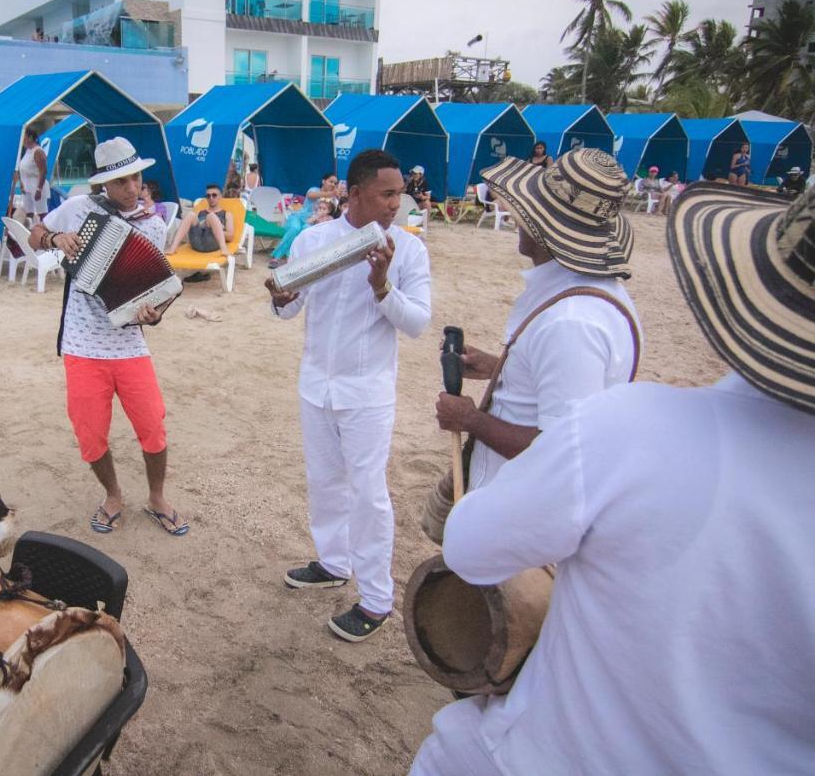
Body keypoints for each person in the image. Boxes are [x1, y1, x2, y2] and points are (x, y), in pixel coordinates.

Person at [410, 185, 815, 776]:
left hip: (553, 750)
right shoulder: (599, 305)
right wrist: (505, 368)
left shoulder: (635, 421)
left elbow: (474, 545)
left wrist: (472, 421)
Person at [426, 148, 641, 542]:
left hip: (523, 522)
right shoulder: (588, 296)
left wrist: (471, 420)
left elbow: (560, 453)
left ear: (543, 227)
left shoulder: (572, 322)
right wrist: (501, 367)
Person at [267, 149, 432, 642]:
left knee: (368, 494)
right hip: (316, 384)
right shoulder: (315, 241)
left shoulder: (408, 250)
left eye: (399, 193)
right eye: (387, 193)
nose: (395, 203)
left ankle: (378, 599)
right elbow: (291, 310)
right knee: (323, 481)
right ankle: (334, 562)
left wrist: (382, 286)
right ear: (353, 194)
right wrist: (280, 298)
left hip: (367, 392)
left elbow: (419, 322)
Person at [27, 137, 189, 536]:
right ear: (104, 185)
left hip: (129, 343)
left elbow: (155, 288)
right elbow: (34, 233)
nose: (132, 188)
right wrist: (54, 239)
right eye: (122, 182)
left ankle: (157, 498)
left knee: (153, 424)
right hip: (82, 344)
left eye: (136, 178)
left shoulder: (151, 224)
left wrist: (153, 317)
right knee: (90, 432)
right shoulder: (79, 208)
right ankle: (113, 495)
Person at [269, 172, 338, 268]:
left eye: (335, 183)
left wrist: (334, 197)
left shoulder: (332, 198)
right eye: (331, 181)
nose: (333, 185)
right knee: (295, 228)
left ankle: (294, 259)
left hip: (313, 222)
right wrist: (329, 194)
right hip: (299, 217)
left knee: (306, 231)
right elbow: (310, 196)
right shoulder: (314, 190)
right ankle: (276, 257)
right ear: (323, 181)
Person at [167, 183, 233, 256]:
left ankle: (224, 249)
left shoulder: (227, 214)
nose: (211, 198)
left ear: (220, 196)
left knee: (211, 216)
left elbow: (230, 237)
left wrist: (217, 229)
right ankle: (172, 248)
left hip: (212, 243)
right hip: (196, 242)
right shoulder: (200, 212)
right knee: (190, 215)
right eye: (208, 196)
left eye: (214, 195)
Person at [14, 127, 48, 223]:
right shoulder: (27, 151)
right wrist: (21, 183)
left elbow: (43, 171)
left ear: (30, 137)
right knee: (29, 212)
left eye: (24, 137)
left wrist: (39, 189)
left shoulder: (38, 151)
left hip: (36, 186)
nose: (22, 140)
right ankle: (29, 231)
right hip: (27, 187)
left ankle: (44, 231)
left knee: (42, 213)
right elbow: (22, 169)